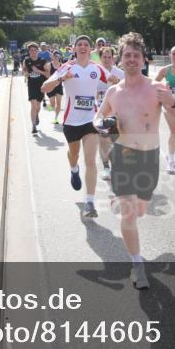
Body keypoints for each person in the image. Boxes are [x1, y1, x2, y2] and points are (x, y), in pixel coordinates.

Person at [94, 33, 175, 289]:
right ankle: (137, 266)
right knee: (128, 215)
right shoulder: (114, 92)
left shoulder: (157, 88)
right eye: (127, 55)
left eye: (136, 55)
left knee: (141, 210)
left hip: (149, 158)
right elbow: (98, 117)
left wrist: (173, 102)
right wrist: (102, 124)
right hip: (123, 157)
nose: (132, 59)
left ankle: (123, 202)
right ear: (120, 60)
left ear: (143, 58)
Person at [42, 36, 105, 218]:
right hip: (71, 121)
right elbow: (44, 88)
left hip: (91, 120)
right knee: (74, 154)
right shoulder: (67, 67)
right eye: (80, 45)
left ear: (90, 48)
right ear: (75, 48)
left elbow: (116, 80)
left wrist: (119, 80)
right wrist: (61, 78)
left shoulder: (97, 69)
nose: (83, 47)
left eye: (86, 44)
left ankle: (90, 203)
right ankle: (73, 169)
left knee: (91, 161)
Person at [96, 46, 124, 181]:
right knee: (103, 141)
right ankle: (106, 168)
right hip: (100, 113)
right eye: (104, 57)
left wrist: (117, 82)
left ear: (113, 58)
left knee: (116, 142)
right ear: (100, 58)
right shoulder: (95, 72)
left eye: (109, 57)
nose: (107, 60)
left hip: (117, 113)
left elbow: (128, 91)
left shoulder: (120, 73)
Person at [23, 42, 50, 135]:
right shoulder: (26, 60)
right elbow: (25, 71)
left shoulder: (43, 61)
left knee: (38, 106)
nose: (33, 52)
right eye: (31, 50)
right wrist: (26, 74)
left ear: (37, 51)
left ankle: (36, 115)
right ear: (29, 51)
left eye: (35, 50)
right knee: (33, 105)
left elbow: (48, 74)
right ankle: (33, 125)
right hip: (31, 85)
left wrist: (38, 71)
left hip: (41, 86)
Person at [48, 50, 65, 125]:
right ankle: (50, 106)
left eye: (58, 56)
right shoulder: (49, 65)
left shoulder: (62, 66)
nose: (56, 58)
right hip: (51, 86)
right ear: (53, 56)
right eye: (55, 56)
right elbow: (47, 76)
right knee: (52, 104)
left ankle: (56, 118)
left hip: (59, 86)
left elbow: (65, 76)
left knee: (58, 103)